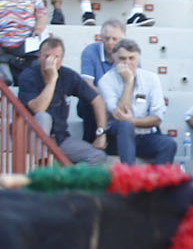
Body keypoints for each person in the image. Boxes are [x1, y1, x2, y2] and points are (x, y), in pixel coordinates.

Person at [17, 36, 107, 164]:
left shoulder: (68, 75)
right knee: (43, 116)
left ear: (62, 59)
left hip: (60, 138)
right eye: (47, 56)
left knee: (98, 156)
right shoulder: (28, 75)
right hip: (31, 137)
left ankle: (69, 181)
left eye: (55, 57)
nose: (51, 61)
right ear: (39, 56)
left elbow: (97, 100)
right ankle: (42, 166)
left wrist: (101, 133)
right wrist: (53, 79)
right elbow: (38, 108)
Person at [97, 38, 178, 165]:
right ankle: (129, 179)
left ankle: (158, 183)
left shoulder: (151, 79)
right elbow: (119, 115)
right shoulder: (105, 81)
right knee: (125, 125)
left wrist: (132, 121)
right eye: (122, 59)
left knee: (169, 144)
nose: (127, 63)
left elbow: (157, 118)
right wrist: (128, 82)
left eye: (131, 58)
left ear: (138, 58)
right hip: (117, 138)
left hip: (144, 136)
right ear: (114, 59)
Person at [81, 17, 126, 86]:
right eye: (107, 38)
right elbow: (87, 86)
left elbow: (136, 84)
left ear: (122, 40)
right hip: (97, 96)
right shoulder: (90, 51)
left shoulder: (130, 53)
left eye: (114, 39)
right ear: (101, 38)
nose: (110, 42)